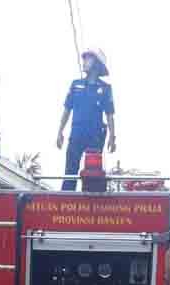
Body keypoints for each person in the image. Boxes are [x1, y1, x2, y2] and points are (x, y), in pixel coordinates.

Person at [56, 48, 116, 191]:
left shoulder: (105, 88)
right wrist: (59, 132)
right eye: (84, 59)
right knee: (70, 172)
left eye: (88, 59)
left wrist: (112, 137)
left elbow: (109, 114)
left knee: (93, 177)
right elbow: (67, 109)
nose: (84, 62)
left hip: (95, 136)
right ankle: (66, 204)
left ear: (96, 64)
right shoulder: (75, 84)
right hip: (76, 133)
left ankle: (91, 208)